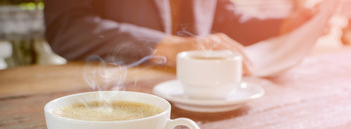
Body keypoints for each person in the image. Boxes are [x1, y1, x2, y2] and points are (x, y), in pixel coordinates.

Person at [44, 0, 316, 75]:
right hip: (114, 94)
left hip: (198, 97)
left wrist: (284, 25)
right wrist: (169, 45)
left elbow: (226, 19)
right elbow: (66, 26)